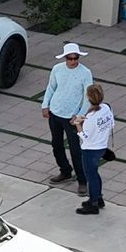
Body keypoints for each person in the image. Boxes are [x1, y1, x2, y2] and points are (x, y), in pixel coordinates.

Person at [40, 42, 94, 195]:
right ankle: (65, 171)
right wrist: (45, 105)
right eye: (69, 58)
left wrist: (79, 116)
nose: (72, 61)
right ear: (65, 58)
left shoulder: (85, 73)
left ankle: (83, 181)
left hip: (72, 117)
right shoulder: (57, 69)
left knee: (76, 150)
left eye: (75, 58)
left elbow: (88, 96)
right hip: (55, 113)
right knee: (56, 145)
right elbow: (51, 87)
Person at [73, 84, 115, 215]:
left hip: (90, 150)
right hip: (102, 146)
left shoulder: (91, 117)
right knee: (95, 174)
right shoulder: (106, 108)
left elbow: (85, 137)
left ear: (88, 98)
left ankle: (93, 204)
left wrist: (78, 125)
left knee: (91, 177)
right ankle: (98, 198)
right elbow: (112, 124)